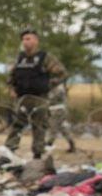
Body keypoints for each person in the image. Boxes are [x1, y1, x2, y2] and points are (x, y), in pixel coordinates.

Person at [4, 29, 67, 159]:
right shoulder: (20, 58)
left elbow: (62, 73)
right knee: (17, 125)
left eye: (28, 39)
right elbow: (11, 75)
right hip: (22, 97)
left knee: (39, 126)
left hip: (39, 97)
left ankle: (37, 154)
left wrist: (48, 85)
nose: (25, 42)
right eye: (23, 39)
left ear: (36, 41)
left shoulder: (45, 58)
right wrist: (11, 89)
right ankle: (9, 150)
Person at [46, 82, 77, 153]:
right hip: (57, 110)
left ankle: (49, 144)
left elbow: (51, 99)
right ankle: (71, 144)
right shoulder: (58, 88)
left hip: (57, 110)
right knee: (63, 128)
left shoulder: (59, 89)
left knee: (53, 127)